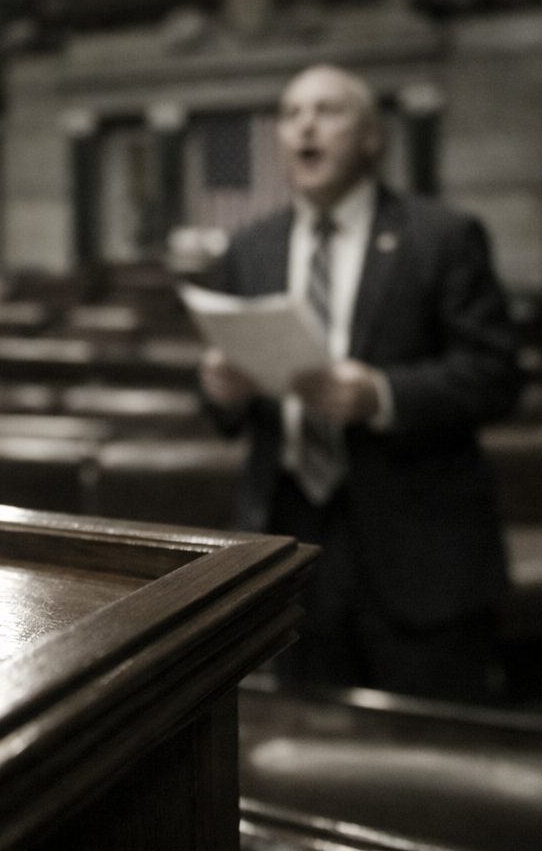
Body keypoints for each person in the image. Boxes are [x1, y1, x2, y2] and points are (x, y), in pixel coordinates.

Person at [198, 64, 523, 701]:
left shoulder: (443, 237)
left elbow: (497, 376)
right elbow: (221, 401)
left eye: (327, 110)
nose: (305, 127)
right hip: (291, 540)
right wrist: (221, 392)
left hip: (420, 545)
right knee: (310, 749)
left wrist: (382, 395)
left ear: (373, 137)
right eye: (291, 114)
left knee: (429, 759)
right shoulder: (250, 247)